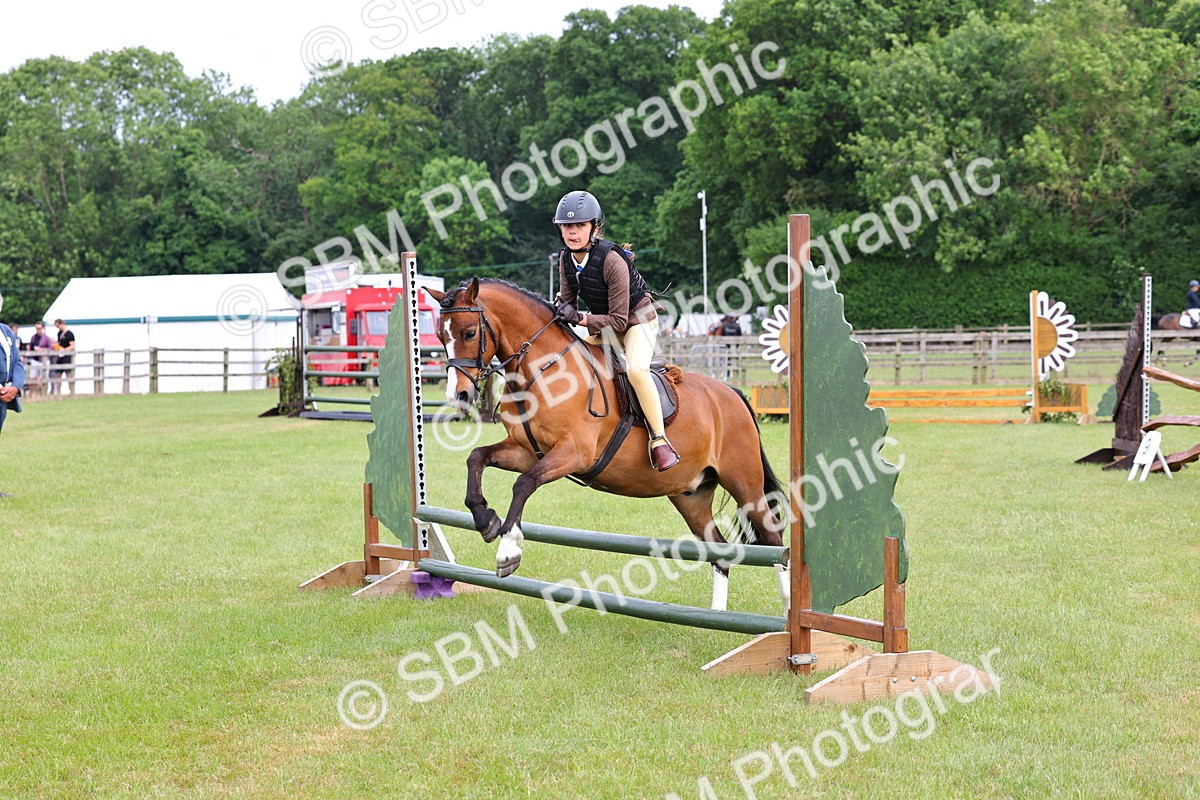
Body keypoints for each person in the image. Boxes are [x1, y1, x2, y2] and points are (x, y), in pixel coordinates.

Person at [552, 190, 679, 471]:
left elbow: (620, 322)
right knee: (571, 361)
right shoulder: (565, 260)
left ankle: (659, 440)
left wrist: (580, 318)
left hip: (637, 322)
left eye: (579, 226)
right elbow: (568, 304)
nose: (572, 233)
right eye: (567, 227)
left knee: (635, 370)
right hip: (605, 324)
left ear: (594, 228)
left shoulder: (611, 260)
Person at [28, 320, 53, 396]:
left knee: (43, 378)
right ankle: (32, 394)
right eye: (37, 328)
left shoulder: (47, 338)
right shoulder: (33, 337)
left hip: (43, 360)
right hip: (35, 360)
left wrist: (41, 349)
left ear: (43, 328)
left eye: (39, 328)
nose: (38, 330)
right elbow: (30, 347)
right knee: (32, 378)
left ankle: (43, 394)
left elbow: (51, 349)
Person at [53, 318, 75, 395]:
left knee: (68, 375)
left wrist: (64, 350)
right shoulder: (59, 333)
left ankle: (71, 392)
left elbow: (72, 346)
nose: (57, 328)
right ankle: (58, 392)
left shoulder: (69, 334)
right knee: (58, 375)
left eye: (58, 326)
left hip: (66, 357)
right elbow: (58, 343)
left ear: (61, 324)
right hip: (60, 357)